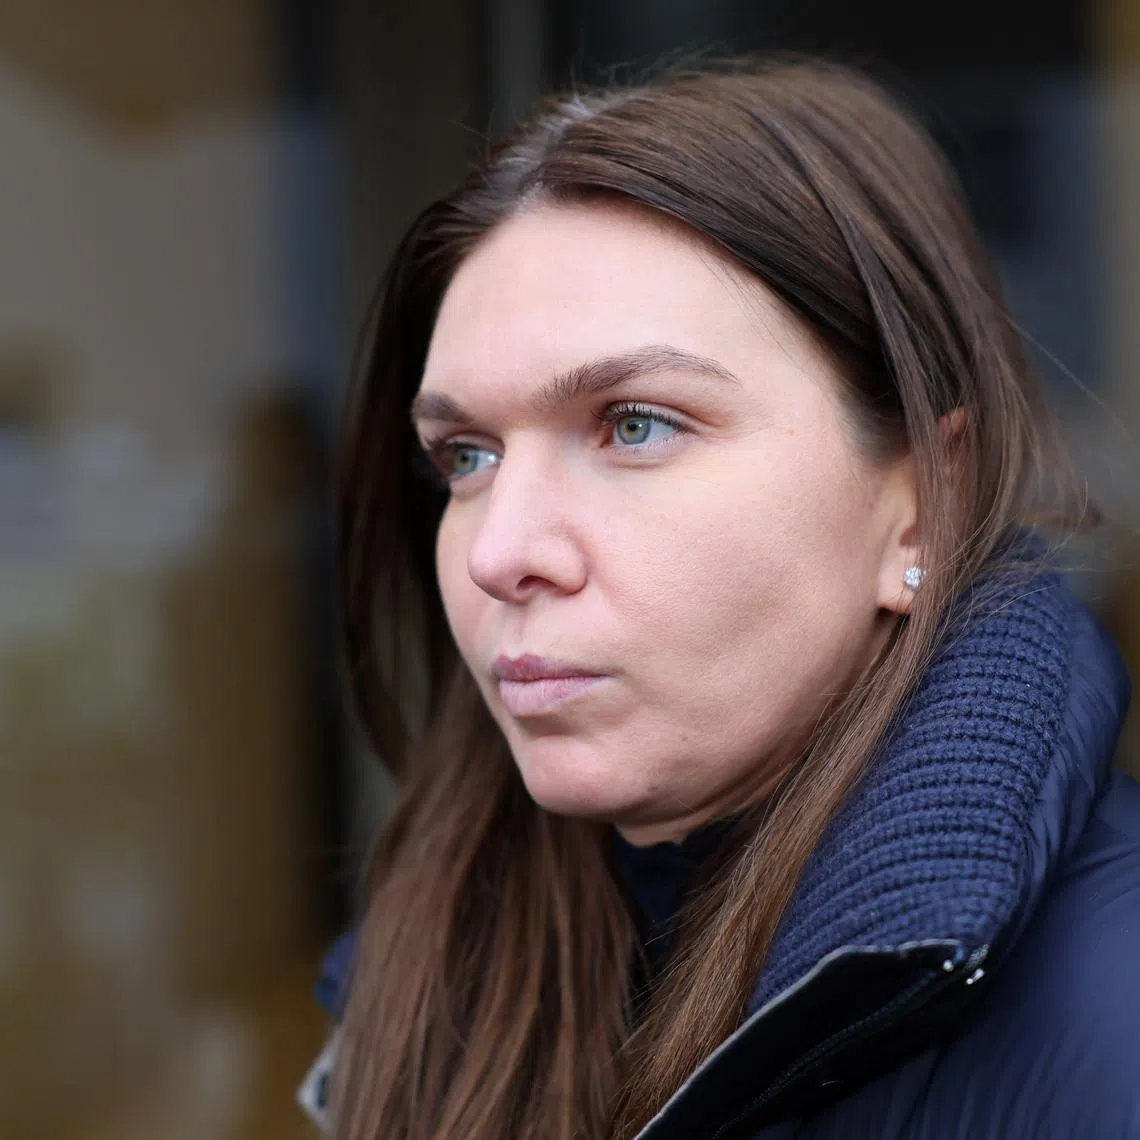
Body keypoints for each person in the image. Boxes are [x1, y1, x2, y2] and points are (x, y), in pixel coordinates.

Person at [315, 58, 1140, 1139]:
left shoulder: (1113, 1028)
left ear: (927, 502)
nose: (498, 552)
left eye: (635, 424)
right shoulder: (427, 979)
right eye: (465, 456)